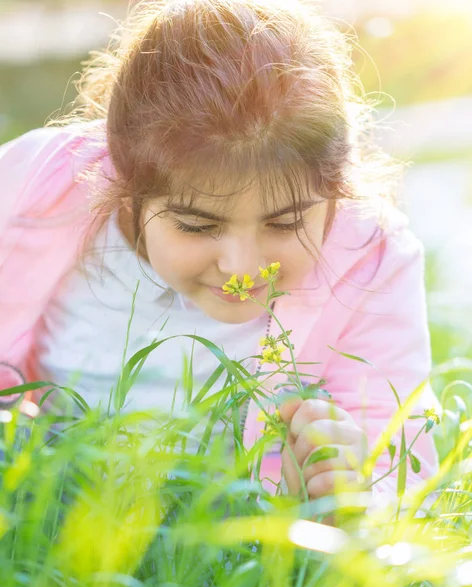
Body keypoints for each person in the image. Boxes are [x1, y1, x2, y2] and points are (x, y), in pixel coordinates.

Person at [0, 0, 440, 512]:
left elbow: (398, 452)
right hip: (41, 513)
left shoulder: (370, 259)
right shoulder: (37, 187)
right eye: (197, 225)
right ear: (126, 184)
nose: (242, 268)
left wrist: (351, 492)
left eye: (286, 222)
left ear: (336, 188)